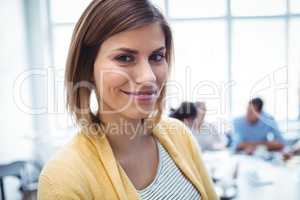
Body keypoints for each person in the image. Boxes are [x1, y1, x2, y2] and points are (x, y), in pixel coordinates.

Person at [37, 1, 218, 200]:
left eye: (157, 56)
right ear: (88, 68)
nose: (148, 77)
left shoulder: (179, 135)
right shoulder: (63, 179)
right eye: (124, 58)